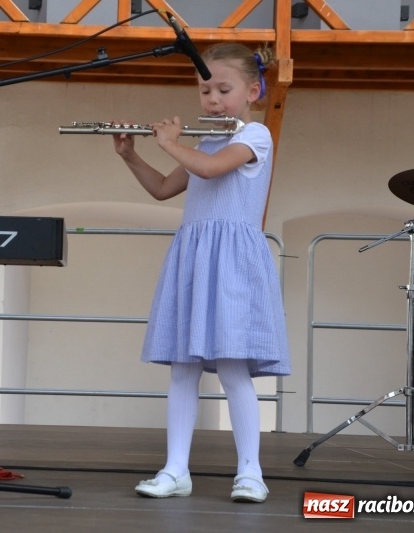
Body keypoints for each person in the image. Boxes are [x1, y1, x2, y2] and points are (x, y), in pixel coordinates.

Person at [112, 43, 290, 502]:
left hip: (232, 261)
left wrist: (172, 142)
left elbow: (210, 171)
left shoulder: (256, 135)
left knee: (233, 368)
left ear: (252, 90)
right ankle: (176, 469)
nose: (212, 99)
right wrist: (131, 156)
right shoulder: (208, 138)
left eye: (223, 89)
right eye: (204, 89)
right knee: (183, 368)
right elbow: (163, 189)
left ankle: (250, 471)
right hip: (194, 258)